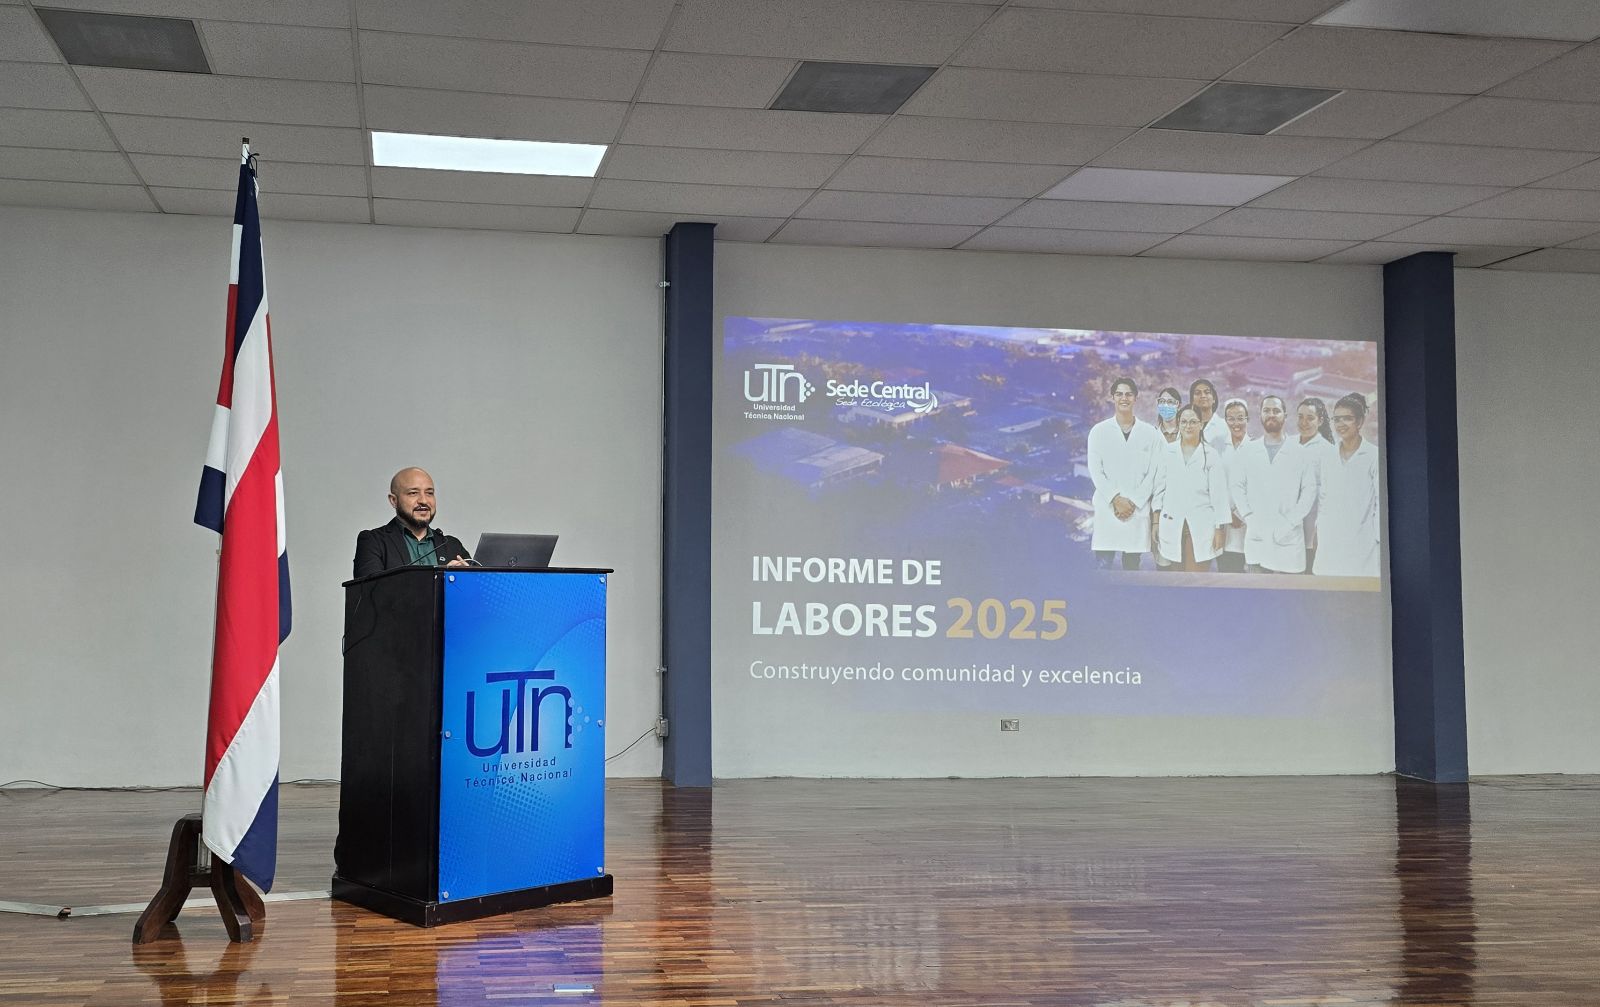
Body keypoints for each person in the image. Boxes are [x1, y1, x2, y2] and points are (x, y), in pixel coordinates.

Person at [1233, 396, 1317, 574]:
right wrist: (1249, 517)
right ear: (1260, 415)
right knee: (1257, 590)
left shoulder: (1301, 454)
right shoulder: (1247, 451)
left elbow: (1309, 493)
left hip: (1288, 540)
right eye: (1266, 410)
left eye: (1276, 411)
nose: (1271, 414)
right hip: (1257, 540)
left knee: (1290, 591)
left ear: (1285, 415)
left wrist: (1289, 523)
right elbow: (1237, 487)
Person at [1087, 377, 1164, 570]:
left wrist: (1134, 501)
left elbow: (1154, 473)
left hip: (1136, 510)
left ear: (1135, 398)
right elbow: (1096, 471)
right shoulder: (1098, 432)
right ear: (1112, 397)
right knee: (1103, 567)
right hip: (1108, 508)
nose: (1124, 398)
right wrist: (1115, 499)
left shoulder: (1151, 433)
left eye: (1128, 394)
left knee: (1132, 567)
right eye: (1119, 394)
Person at [1151, 404, 1230, 572]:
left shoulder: (1211, 455)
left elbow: (1219, 496)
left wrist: (1219, 529)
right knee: (1176, 579)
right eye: (1184, 421)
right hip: (1171, 523)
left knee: (1195, 579)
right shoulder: (1167, 452)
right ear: (1178, 424)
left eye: (1193, 422)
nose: (1188, 426)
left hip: (1202, 525)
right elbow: (1159, 490)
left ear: (1201, 424)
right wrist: (1156, 522)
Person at [353, 467, 472, 578]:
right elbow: (371, 590)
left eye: (429, 493)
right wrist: (441, 579)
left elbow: (476, 590)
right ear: (394, 500)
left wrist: (469, 580)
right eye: (413, 493)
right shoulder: (373, 541)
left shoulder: (452, 545)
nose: (424, 501)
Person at [1313, 394, 1381, 578]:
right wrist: (1320, 530)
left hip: (1363, 547)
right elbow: (1323, 498)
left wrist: (1377, 539)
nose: (1341, 424)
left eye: (1347, 418)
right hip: (1329, 546)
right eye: (1337, 419)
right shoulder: (1327, 456)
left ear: (1360, 422)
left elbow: (1380, 503)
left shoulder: (1373, 456)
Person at [1295, 397, 1336, 573]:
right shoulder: (1288, 444)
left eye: (1310, 418)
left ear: (1320, 421)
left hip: (1311, 530)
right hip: (1287, 530)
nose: (1304, 422)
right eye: (1300, 417)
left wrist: (1320, 528)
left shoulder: (1328, 452)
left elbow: (1330, 496)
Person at [1217, 398, 1252, 573]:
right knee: (1226, 572)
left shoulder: (1256, 449)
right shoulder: (1218, 449)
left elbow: (1259, 488)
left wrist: (1239, 514)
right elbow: (1215, 485)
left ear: (1248, 419)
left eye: (1240, 418)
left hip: (1248, 523)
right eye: (1231, 419)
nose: (1236, 423)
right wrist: (1228, 514)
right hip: (1225, 523)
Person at [1189, 378, 1230, 452]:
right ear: (1192, 400)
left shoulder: (1225, 426)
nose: (1203, 396)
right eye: (1197, 393)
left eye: (1207, 392)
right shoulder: (1185, 426)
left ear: (1214, 399)